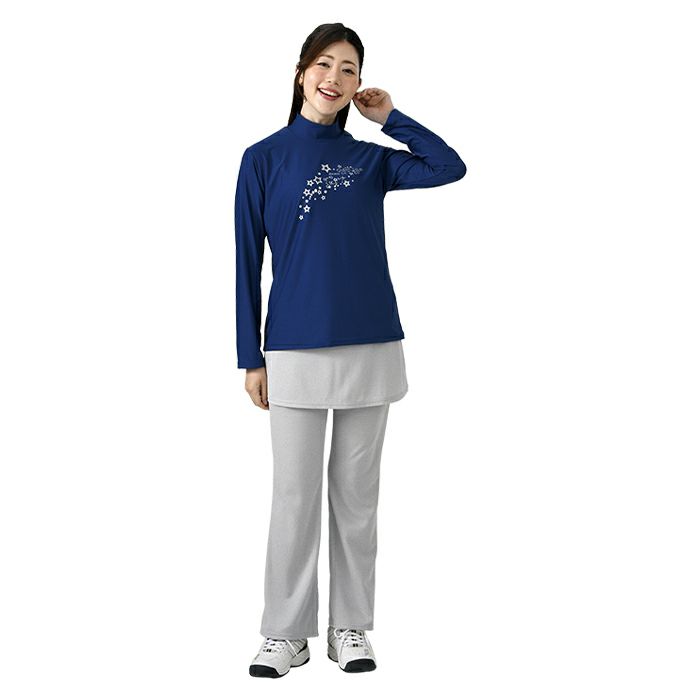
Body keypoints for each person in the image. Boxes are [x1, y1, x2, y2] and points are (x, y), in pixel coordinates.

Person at [235, 23, 467, 678]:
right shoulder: (263, 158)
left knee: (357, 497)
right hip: (293, 349)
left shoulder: (371, 160)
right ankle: (285, 633)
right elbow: (246, 261)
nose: (334, 78)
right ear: (301, 72)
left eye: (348, 68)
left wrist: (391, 118)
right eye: (324, 64)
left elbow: (448, 166)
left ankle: (349, 627)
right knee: (294, 496)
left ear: (359, 82)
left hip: (371, 342)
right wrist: (249, 356)